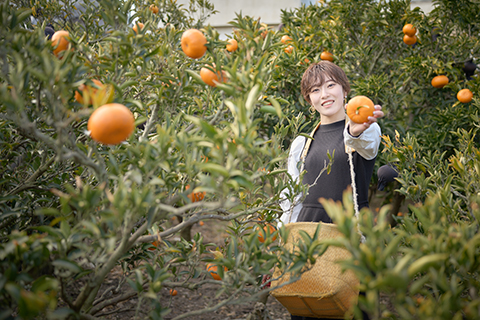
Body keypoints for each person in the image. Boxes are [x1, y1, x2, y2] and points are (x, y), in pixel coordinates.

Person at [279, 61, 384, 320]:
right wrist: (282, 242)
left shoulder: (365, 129)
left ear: (344, 89)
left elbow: (364, 145)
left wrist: (355, 129)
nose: (324, 94)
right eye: (315, 90)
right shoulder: (302, 143)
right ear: (309, 99)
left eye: (330, 85)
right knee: (308, 307)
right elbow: (292, 198)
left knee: (352, 308)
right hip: (307, 233)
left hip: (349, 232)